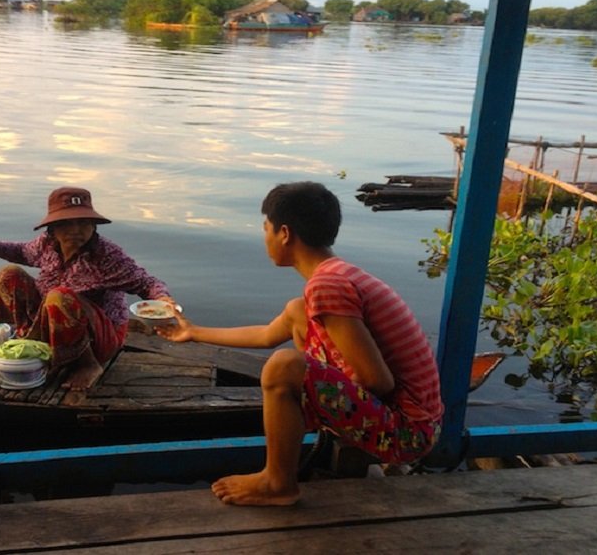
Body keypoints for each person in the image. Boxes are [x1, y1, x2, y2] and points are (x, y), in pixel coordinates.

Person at [157, 181, 442, 506]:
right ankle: (291, 443)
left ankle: (278, 483)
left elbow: (378, 380)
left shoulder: (327, 286)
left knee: (283, 367)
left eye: (266, 228)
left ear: (285, 233)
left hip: (407, 434)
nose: (264, 237)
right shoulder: (337, 275)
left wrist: (311, 399)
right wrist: (193, 331)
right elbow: (266, 335)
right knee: (296, 315)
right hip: (416, 421)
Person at [0, 186, 173, 390]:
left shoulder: (106, 256)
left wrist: (163, 299)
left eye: (83, 222)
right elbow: (21, 252)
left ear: (93, 226)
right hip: (54, 324)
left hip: (97, 340)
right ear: (52, 229)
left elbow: (146, 283)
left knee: (60, 296)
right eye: (66, 223)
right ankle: (11, 339)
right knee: (8, 274)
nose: (76, 229)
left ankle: (88, 366)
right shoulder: (47, 245)